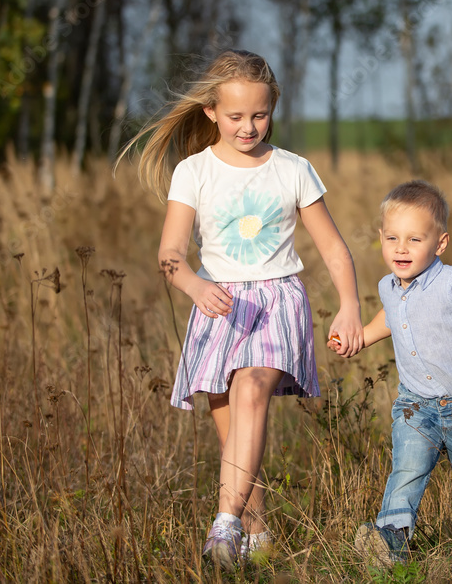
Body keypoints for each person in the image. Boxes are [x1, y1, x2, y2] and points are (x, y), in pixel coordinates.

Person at [118, 49, 363, 568]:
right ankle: (256, 535)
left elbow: (334, 248)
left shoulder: (294, 170)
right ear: (210, 112)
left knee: (252, 388)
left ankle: (222, 524)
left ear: (272, 108)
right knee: (235, 436)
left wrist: (348, 307)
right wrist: (191, 285)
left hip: (277, 301)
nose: (248, 126)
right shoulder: (193, 172)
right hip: (218, 307)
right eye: (235, 116)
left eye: (260, 114)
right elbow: (169, 256)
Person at [328, 180, 452, 566]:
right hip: (415, 406)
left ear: (440, 242)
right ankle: (390, 544)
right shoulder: (388, 285)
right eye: (392, 238)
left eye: (414, 239)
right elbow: (392, 315)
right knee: (406, 470)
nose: (401, 248)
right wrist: (360, 338)